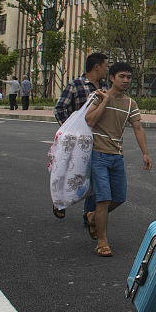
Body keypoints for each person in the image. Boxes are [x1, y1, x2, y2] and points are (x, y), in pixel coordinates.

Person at [83, 62, 151, 257]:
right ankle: (102, 241)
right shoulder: (97, 97)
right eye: (122, 76)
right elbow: (90, 120)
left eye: (129, 77)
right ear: (111, 78)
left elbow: (138, 128)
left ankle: (93, 216)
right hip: (98, 154)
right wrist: (104, 101)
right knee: (103, 198)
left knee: (119, 197)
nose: (126, 80)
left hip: (117, 156)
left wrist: (145, 153)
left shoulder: (130, 104)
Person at [54, 52, 109, 221]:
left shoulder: (104, 86)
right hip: (77, 141)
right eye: (106, 66)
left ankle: (89, 214)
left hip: (98, 139)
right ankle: (59, 201)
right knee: (72, 173)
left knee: (94, 176)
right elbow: (60, 108)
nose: (107, 69)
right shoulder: (75, 85)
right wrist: (70, 130)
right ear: (96, 67)